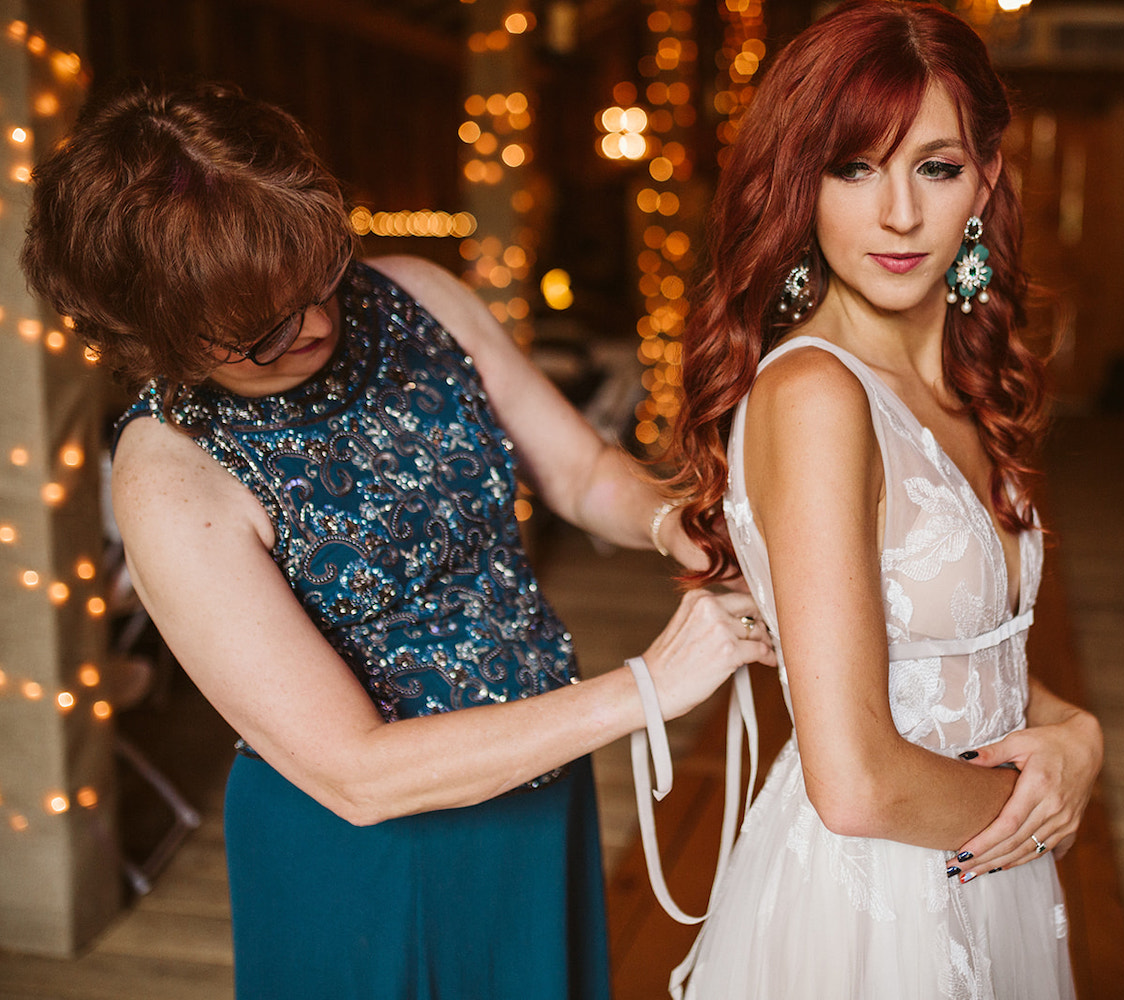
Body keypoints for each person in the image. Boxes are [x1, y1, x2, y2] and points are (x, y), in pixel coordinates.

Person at [20, 82, 774, 999]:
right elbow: (359, 773)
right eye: (264, 330)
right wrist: (649, 688)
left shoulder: (416, 295)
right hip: (374, 855)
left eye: (323, 276)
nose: (321, 323)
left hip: (544, 779)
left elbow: (576, 473)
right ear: (162, 341)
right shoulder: (170, 474)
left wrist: (682, 526)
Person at [663, 2, 1103, 997]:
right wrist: (1034, 794)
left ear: (985, 178)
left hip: (982, 859)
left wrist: (1077, 733)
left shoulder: (961, 381)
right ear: (798, 185)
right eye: (854, 167)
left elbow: (954, 656)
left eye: (935, 167)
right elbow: (855, 780)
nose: (899, 214)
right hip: (875, 902)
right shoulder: (817, 394)